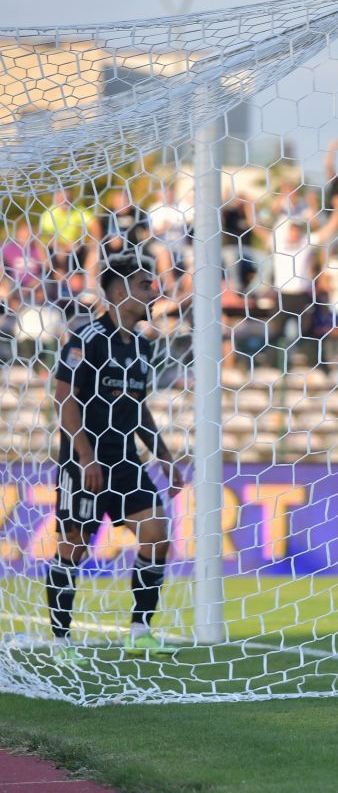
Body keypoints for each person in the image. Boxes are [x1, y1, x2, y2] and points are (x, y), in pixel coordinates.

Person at [48, 255, 185, 661]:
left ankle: (140, 630)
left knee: (158, 531)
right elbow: (65, 398)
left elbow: (137, 407)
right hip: (84, 460)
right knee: (74, 546)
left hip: (126, 459)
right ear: (120, 291)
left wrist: (164, 457)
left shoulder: (143, 345)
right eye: (146, 285)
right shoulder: (87, 336)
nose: (154, 293)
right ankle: (60, 641)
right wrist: (86, 458)